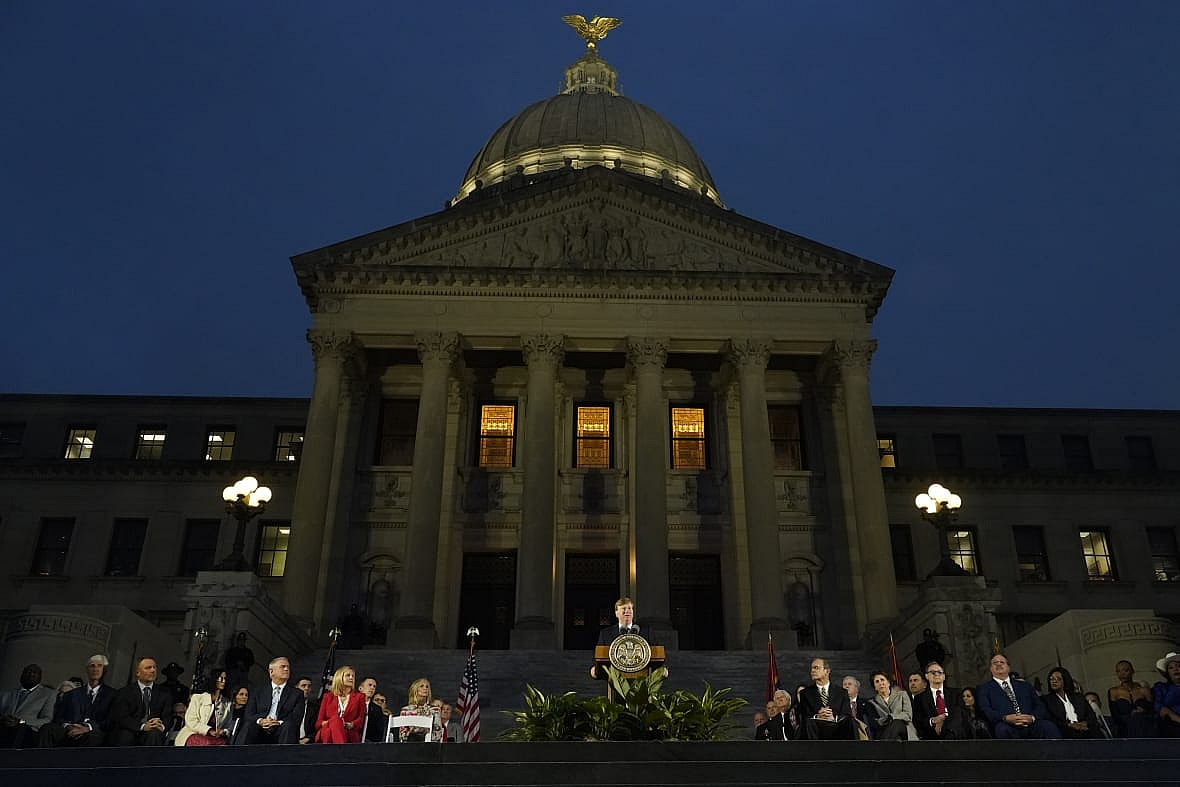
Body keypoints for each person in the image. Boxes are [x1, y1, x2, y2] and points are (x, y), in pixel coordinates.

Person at [975, 653, 1060, 739]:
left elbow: (1039, 705)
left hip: (1030, 723)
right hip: (1006, 724)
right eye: (995, 663)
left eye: (1002, 662)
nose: (999, 664)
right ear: (990, 668)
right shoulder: (984, 689)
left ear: (1008, 667)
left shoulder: (1025, 685)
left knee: (1048, 727)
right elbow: (985, 710)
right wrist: (1005, 718)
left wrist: (1032, 718)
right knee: (1002, 730)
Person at [39, 654, 116, 748]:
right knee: (47, 729)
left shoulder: (112, 694)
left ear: (104, 670)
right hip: (69, 730)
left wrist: (88, 728)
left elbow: (110, 721)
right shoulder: (72, 694)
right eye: (92, 666)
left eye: (99, 666)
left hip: (92, 733)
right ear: (87, 670)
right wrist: (68, 726)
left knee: (93, 737)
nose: (95, 669)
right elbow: (59, 717)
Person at [589, 597, 663, 680]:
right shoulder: (606, 633)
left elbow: (657, 654)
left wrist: (661, 669)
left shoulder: (646, 631)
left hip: (642, 680)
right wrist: (595, 669)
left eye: (629, 608)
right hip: (615, 682)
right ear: (616, 613)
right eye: (623, 608)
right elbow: (599, 656)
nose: (627, 611)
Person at [238, 656, 304, 745]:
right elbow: (248, 714)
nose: (286, 669)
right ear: (271, 671)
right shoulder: (258, 691)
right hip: (260, 727)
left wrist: (278, 722)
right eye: (283, 666)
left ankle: (285, 758)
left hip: (281, 728)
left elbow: (296, 718)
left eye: (288, 667)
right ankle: (240, 757)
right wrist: (261, 721)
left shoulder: (297, 694)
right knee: (249, 725)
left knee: (288, 726)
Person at [109, 656, 173, 746]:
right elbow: (122, 717)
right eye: (148, 668)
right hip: (132, 729)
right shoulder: (124, 692)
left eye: (154, 667)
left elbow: (168, 716)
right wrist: (142, 726)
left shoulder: (164, 693)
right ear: (138, 673)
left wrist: (161, 726)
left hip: (153, 732)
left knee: (154, 733)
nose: (153, 670)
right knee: (125, 736)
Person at [0, 663, 55, 748]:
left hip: (28, 730)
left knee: (19, 730)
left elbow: (47, 719)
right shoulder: (7, 694)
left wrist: (21, 722)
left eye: (34, 672)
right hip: (4, 727)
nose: (30, 674)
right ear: (21, 675)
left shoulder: (48, 694)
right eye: (27, 672)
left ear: (40, 677)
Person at [797, 658, 854, 740]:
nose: (812, 671)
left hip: (838, 733)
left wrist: (834, 718)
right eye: (812, 668)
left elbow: (847, 714)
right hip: (815, 735)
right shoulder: (805, 693)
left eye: (816, 668)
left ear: (827, 671)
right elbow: (804, 717)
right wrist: (817, 716)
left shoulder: (841, 692)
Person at [912, 661, 971, 739]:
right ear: (926, 676)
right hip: (933, 735)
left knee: (958, 711)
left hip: (955, 734)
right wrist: (933, 720)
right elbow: (917, 721)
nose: (937, 674)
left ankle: (948, 733)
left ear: (944, 676)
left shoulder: (956, 693)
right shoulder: (919, 698)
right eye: (933, 672)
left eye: (939, 672)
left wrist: (943, 721)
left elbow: (963, 715)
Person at [175, 669, 233, 746]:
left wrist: (224, 731)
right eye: (220, 678)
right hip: (193, 733)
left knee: (224, 744)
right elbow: (191, 721)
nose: (223, 681)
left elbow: (228, 726)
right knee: (206, 743)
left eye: (225, 678)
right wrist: (208, 730)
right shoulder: (197, 698)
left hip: (215, 738)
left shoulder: (227, 704)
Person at [1042, 666, 1101, 739]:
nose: (1054, 681)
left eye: (1058, 679)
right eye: (1051, 679)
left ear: (1065, 680)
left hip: (1085, 730)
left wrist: (1085, 723)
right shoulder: (1046, 700)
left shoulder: (1078, 697)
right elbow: (1050, 719)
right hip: (1064, 733)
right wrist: (1069, 725)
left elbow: (1091, 715)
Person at [314, 665, 365, 744]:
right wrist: (333, 722)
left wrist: (351, 724)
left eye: (353, 676)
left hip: (348, 732)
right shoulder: (328, 696)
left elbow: (360, 720)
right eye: (348, 675)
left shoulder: (359, 697)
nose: (351, 678)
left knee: (333, 726)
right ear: (339, 677)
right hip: (328, 731)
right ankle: (341, 750)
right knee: (336, 720)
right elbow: (319, 723)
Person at [1108, 659, 1158, 737]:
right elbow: (1115, 716)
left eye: (1126, 670)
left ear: (1132, 671)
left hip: (1145, 726)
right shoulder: (1114, 692)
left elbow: (1153, 711)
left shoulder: (1144, 690)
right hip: (1125, 729)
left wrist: (1143, 711)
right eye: (1118, 671)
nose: (1122, 674)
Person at [866, 671, 918, 740]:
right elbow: (876, 722)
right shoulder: (872, 702)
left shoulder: (902, 695)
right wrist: (886, 719)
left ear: (888, 683)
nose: (880, 683)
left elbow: (908, 715)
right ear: (875, 687)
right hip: (885, 730)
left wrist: (892, 717)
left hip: (904, 729)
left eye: (882, 680)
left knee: (896, 723)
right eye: (877, 682)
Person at [398, 678, 443, 742]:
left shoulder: (434, 710)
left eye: (427, 687)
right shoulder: (405, 710)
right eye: (422, 686)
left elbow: (437, 732)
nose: (425, 688)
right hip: (410, 744)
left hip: (428, 745)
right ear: (415, 689)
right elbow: (402, 733)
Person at [1152, 651, 1180, 737]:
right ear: (1168, 673)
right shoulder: (1161, 687)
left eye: (1179, 666)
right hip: (1171, 725)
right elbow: (1159, 707)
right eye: (1171, 668)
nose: (1176, 669)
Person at [358, 676, 384, 742]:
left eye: (374, 686)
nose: (372, 688)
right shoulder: (352, 704)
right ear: (360, 688)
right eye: (369, 685)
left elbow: (379, 733)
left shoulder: (377, 709)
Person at [295, 676, 317, 744]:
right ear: (296, 688)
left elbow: (317, 728)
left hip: (308, 743)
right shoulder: (288, 705)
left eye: (309, 686)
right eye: (303, 686)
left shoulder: (315, 708)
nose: (306, 688)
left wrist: (308, 738)